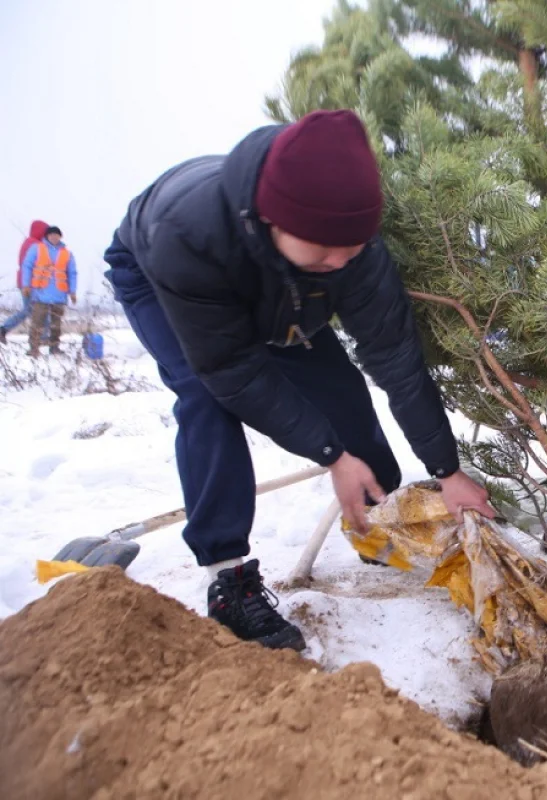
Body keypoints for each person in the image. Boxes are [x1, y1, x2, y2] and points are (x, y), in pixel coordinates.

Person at [102, 109, 495, 651]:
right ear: (272, 219)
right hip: (163, 276)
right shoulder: (186, 233)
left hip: (282, 286)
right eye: (324, 250)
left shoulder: (348, 254)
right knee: (206, 400)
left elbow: (396, 359)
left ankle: (372, 514)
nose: (339, 262)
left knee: (340, 387)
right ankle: (227, 578)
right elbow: (233, 371)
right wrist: (331, 456)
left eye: (351, 250)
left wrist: (446, 469)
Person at [20, 225, 77, 356]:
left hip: (59, 294)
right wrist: (25, 285)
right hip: (40, 293)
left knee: (56, 324)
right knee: (37, 322)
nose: (54, 237)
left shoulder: (67, 253)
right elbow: (27, 266)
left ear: (60, 236)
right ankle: (34, 348)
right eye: (51, 234)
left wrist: (72, 291)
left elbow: (72, 273)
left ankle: (54, 347)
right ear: (47, 236)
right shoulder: (37, 249)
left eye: (57, 235)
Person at [1, 220, 49, 344]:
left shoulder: (30, 243)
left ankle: (4, 329)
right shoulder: (35, 245)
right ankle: (43, 339)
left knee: (30, 310)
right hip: (30, 284)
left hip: (26, 283)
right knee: (40, 310)